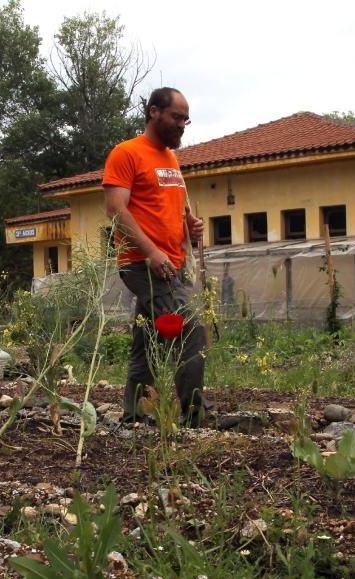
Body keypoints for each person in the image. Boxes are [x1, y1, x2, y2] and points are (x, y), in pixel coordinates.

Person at [102, 87, 208, 426]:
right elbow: (116, 210)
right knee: (190, 329)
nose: (182, 126)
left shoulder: (171, 159)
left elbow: (166, 212)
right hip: (142, 262)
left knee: (147, 337)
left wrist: (187, 230)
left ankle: (135, 413)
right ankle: (194, 416)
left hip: (171, 261)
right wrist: (151, 251)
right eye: (177, 118)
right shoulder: (127, 153)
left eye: (185, 120)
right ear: (154, 112)